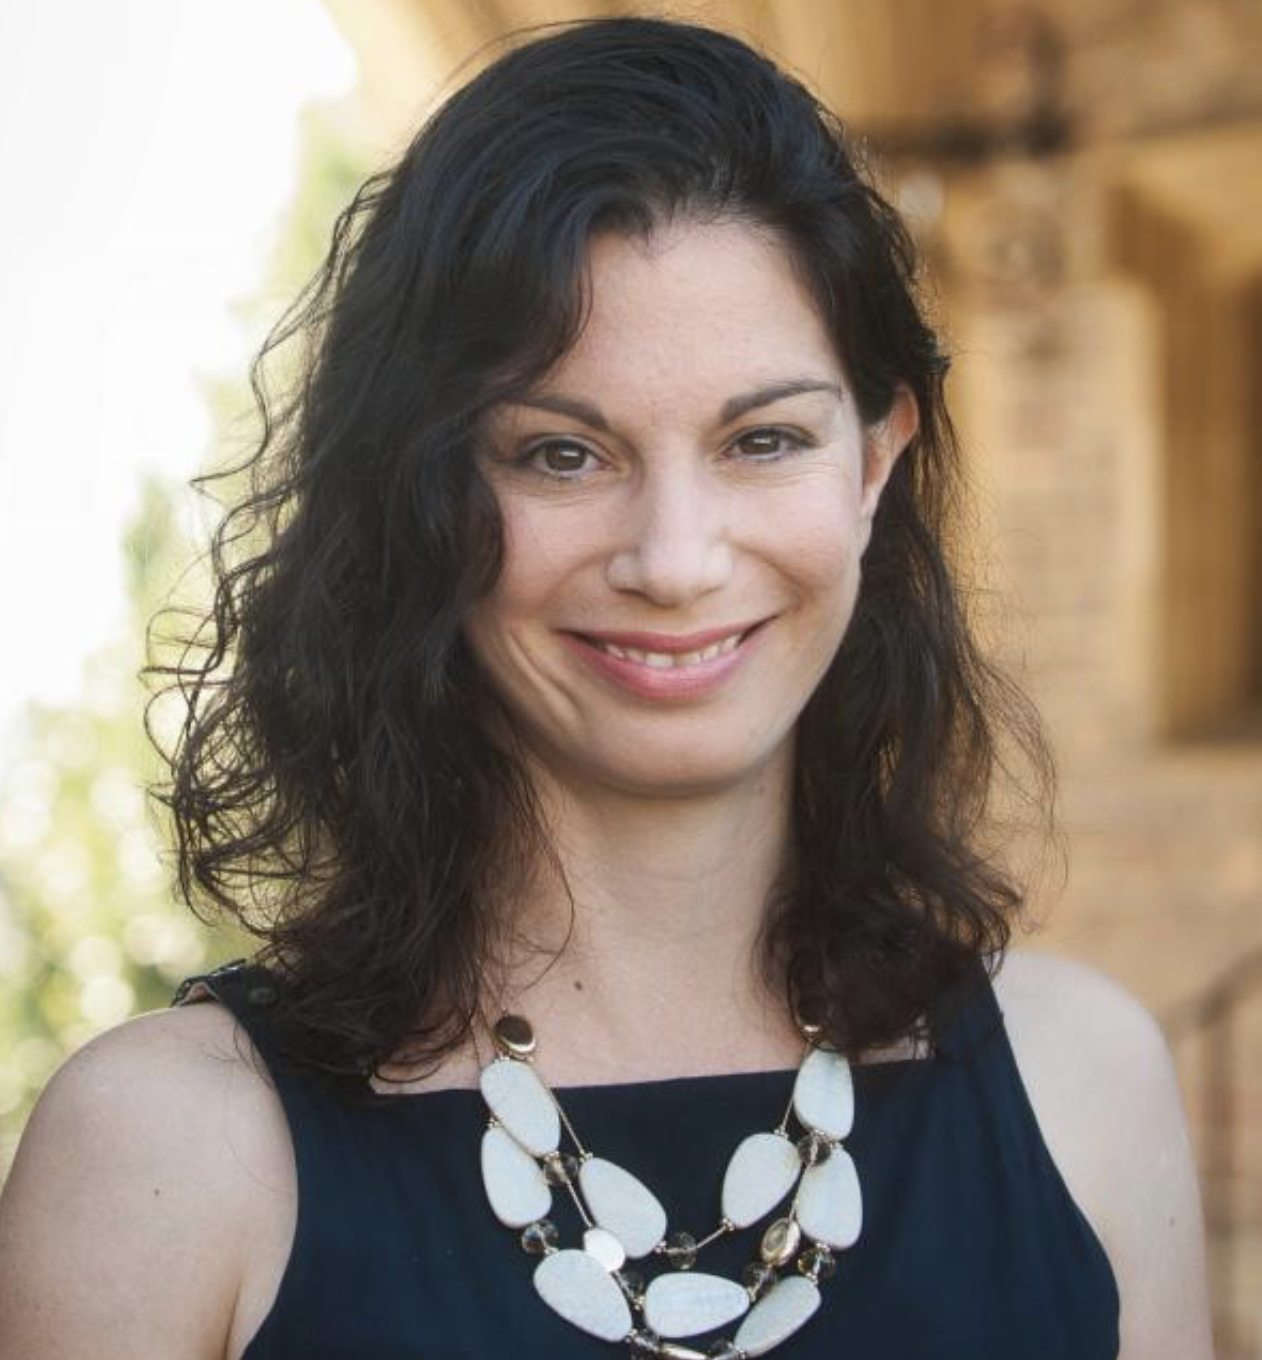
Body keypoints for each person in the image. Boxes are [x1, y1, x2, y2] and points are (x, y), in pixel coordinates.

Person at [0, 16, 1211, 1360]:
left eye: (763, 438)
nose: (676, 561)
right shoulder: (169, 1157)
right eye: (561, 454)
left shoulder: (1082, 1083)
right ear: (420, 492)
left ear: (872, 467)